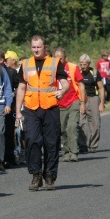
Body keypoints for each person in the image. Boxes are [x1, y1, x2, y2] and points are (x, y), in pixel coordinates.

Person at [14, 36, 69, 192]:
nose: (36, 50)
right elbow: (21, 88)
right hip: (31, 108)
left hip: (50, 107)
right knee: (32, 141)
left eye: (39, 47)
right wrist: (18, 112)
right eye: (33, 47)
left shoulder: (54, 63)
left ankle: (50, 175)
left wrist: (62, 90)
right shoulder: (25, 64)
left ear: (45, 47)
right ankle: (36, 174)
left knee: (51, 143)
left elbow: (65, 82)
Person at [54, 48, 85, 163]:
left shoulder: (72, 67)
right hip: (59, 104)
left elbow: (81, 85)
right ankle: (66, 152)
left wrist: (82, 102)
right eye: (56, 58)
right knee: (62, 129)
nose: (59, 60)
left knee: (72, 126)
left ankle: (74, 152)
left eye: (61, 58)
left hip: (73, 101)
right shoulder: (51, 69)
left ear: (65, 57)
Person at [0, 50, 19, 167]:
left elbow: (18, 87)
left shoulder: (11, 72)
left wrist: (11, 95)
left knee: (9, 132)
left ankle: (10, 157)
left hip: (8, 106)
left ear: (1, 60)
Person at [78, 55, 105, 154]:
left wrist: (101, 103)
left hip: (93, 98)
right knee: (80, 123)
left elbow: (101, 88)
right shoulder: (78, 72)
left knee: (95, 123)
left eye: (84, 64)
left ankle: (93, 145)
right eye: (81, 64)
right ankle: (82, 145)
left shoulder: (94, 73)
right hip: (81, 99)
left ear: (89, 64)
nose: (82, 66)